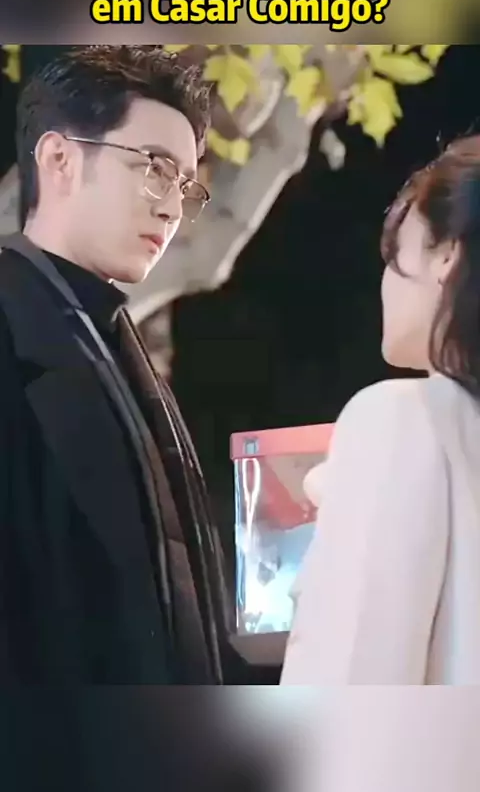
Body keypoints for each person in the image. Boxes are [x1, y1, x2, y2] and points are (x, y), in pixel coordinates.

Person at [0, 45, 232, 684]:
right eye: (155, 169)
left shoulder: (111, 337)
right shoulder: (18, 320)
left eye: (185, 186)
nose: (172, 208)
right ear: (59, 159)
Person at [281, 134, 480, 685]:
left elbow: (349, 684)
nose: (385, 283)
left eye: (394, 257)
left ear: (448, 256)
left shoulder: (403, 418)